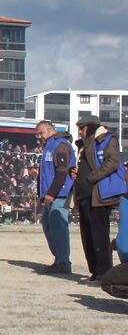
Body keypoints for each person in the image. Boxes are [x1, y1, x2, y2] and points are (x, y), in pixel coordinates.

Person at [70, 116, 126, 282]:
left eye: (82, 127)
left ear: (91, 127)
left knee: (99, 235)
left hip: (99, 195)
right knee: (87, 236)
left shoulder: (107, 140)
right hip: (84, 195)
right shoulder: (83, 146)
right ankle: (94, 271)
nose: (79, 131)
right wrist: (75, 173)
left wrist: (91, 177)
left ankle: (104, 273)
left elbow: (113, 162)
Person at [35, 120, 76, 274]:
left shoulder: (61, 145)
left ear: (51, 130)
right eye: (37, 135)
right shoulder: (48, 147)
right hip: (49, 195)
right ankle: (59, 259)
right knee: (48, 225)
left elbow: (62, 172)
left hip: (60, 194)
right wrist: (42, 194)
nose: (39, 137)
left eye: (41, 133)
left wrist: (52, 192)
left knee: (59, 226)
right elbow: (44, 174)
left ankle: (64, 262)